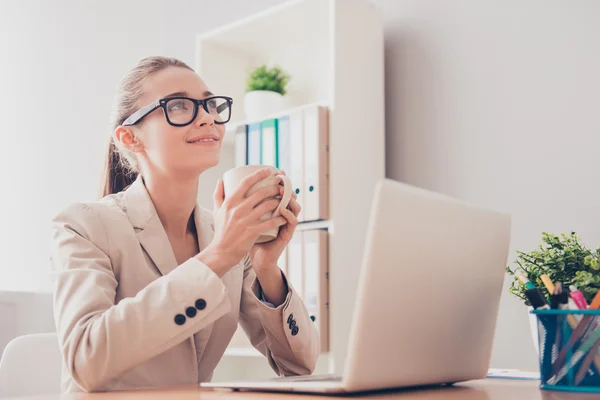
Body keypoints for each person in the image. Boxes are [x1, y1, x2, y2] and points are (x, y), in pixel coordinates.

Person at [49, 56, 319, 393]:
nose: (207, 117)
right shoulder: (82, 226)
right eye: (178, 105)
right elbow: (87, 361)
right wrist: (220, 255)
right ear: (129, 137)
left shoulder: (226, 235)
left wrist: (266, 268)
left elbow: (299, 366)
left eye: (210, 104)